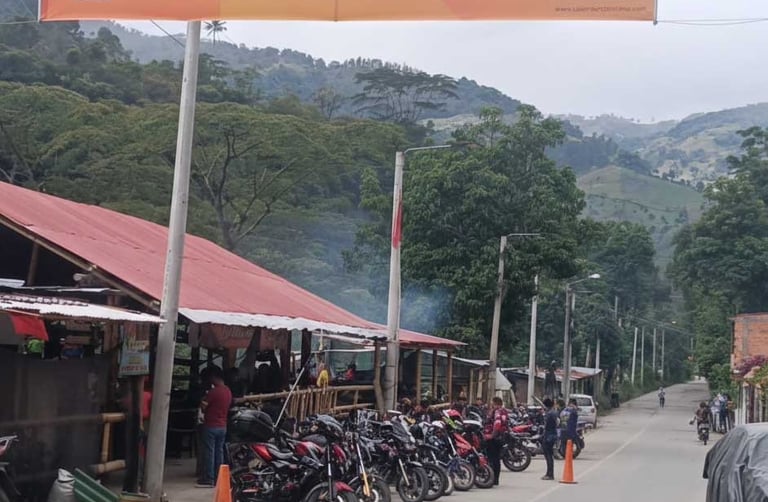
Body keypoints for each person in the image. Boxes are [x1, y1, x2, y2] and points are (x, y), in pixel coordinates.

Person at [196, 367, 232, 488]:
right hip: (223, 426)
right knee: (219, 452)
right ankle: (218, 477)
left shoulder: (213, 392)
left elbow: (203, 407)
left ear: (214, 377)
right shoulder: (228, 391)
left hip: (211, 425)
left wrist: (202, 400)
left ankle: (208, 478)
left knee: (209, 452)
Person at [484, 397, 508, 486]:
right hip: (501, 437)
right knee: (497, 458)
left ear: (495, 403)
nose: (491, 405)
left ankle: (492, 479)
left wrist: (492, 435)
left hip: (494, 438)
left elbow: (497, 424)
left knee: (492, 458)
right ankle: (496, 479)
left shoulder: (497, 411)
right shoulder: (504, 411)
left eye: (492, 403)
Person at [541, 398, 560, 481]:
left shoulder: (549, 414)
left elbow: (546, 425)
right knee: (550, 455)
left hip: (549, 436)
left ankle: (550, 474)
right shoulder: (554, 412)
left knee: (548, 455)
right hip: (553, 434)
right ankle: (549, 473)